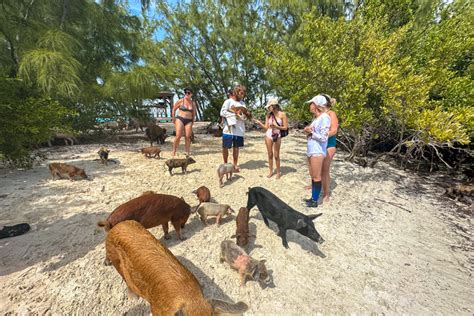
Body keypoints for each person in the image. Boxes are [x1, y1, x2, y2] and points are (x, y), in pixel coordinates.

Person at [303, 95, 331, 208]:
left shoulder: (325, 117)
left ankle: (314, 200)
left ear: (316, 105)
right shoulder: (316, 119)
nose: (310, 106)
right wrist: (307, 131)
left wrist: (311, 133)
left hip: (318, 151)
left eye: (311, 103)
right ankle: (312, 198)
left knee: (316, 176)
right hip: (312, 149)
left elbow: (324, 137)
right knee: (313, 175)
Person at [254, 97, 288, 179]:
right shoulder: (268, 115)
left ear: (274, 106)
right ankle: (270, 171)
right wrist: (259, 123)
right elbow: (266, 127)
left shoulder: (282, 114)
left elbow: (285, 127)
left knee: (276, 155)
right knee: (270, 154)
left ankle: (278, 172)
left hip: (277, 135)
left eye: (269, 106)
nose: (268, 108)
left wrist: (276, 126)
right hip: (268, 135)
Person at [220, 85, 249, 172]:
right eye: (241, 93)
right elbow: (222, 112)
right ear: (236, 92)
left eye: (243, 94)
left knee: (236, 148)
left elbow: (244, 115)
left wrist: (243, 115)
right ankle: (225, 164)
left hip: (239, 129)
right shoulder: (228, 101)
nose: (242, 95)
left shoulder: (243, 104)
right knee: (225, 147)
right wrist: (234, 114)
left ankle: (235, 165)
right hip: (228, 129)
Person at [321, 94, 338, 202]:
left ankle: (326, 193)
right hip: (319, 145)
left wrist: (321, 136)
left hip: (329, 145)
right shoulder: (319, 115)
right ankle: (315, 185)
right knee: (316, 168)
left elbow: (334, 130)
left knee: (325, 169)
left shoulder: (331, 113)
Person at [172, 88, 197, 157]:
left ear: (191, 94)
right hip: (180, 119)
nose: (187, 94)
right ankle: (174, 150)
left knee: (187, 136)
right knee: (178, 136)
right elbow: (174, 109)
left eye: (188, 93)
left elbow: (194, 113)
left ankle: (187, 151)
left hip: (189, 120)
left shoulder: (193, 103)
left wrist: (192, 121)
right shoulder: (180, 101)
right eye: (185, 92)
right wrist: (173, 118)